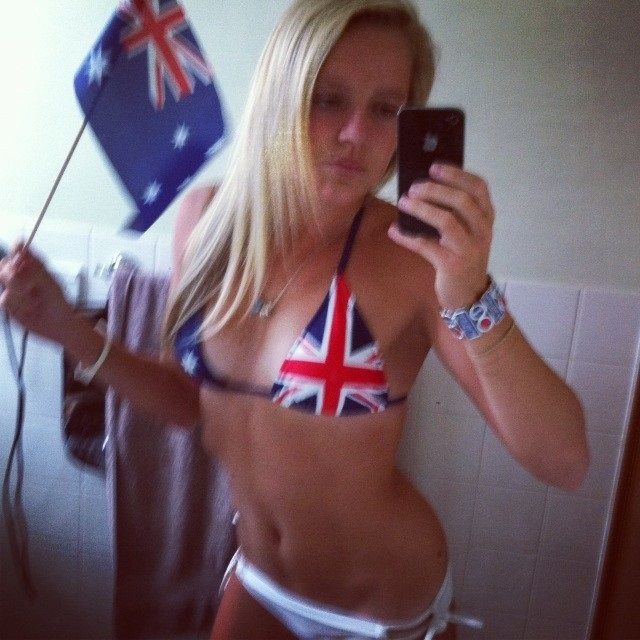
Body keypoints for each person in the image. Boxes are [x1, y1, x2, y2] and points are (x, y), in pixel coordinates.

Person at [0, 0, 589, 638]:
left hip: (383, 610)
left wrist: (473, 292)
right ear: (281, 93)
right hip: (259, 579)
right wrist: (68, 330)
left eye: (386, 109)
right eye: (328, 98)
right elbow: (193, 402)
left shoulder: (416, 258)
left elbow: (565, 461)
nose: (356, 134)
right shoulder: (205, 221)